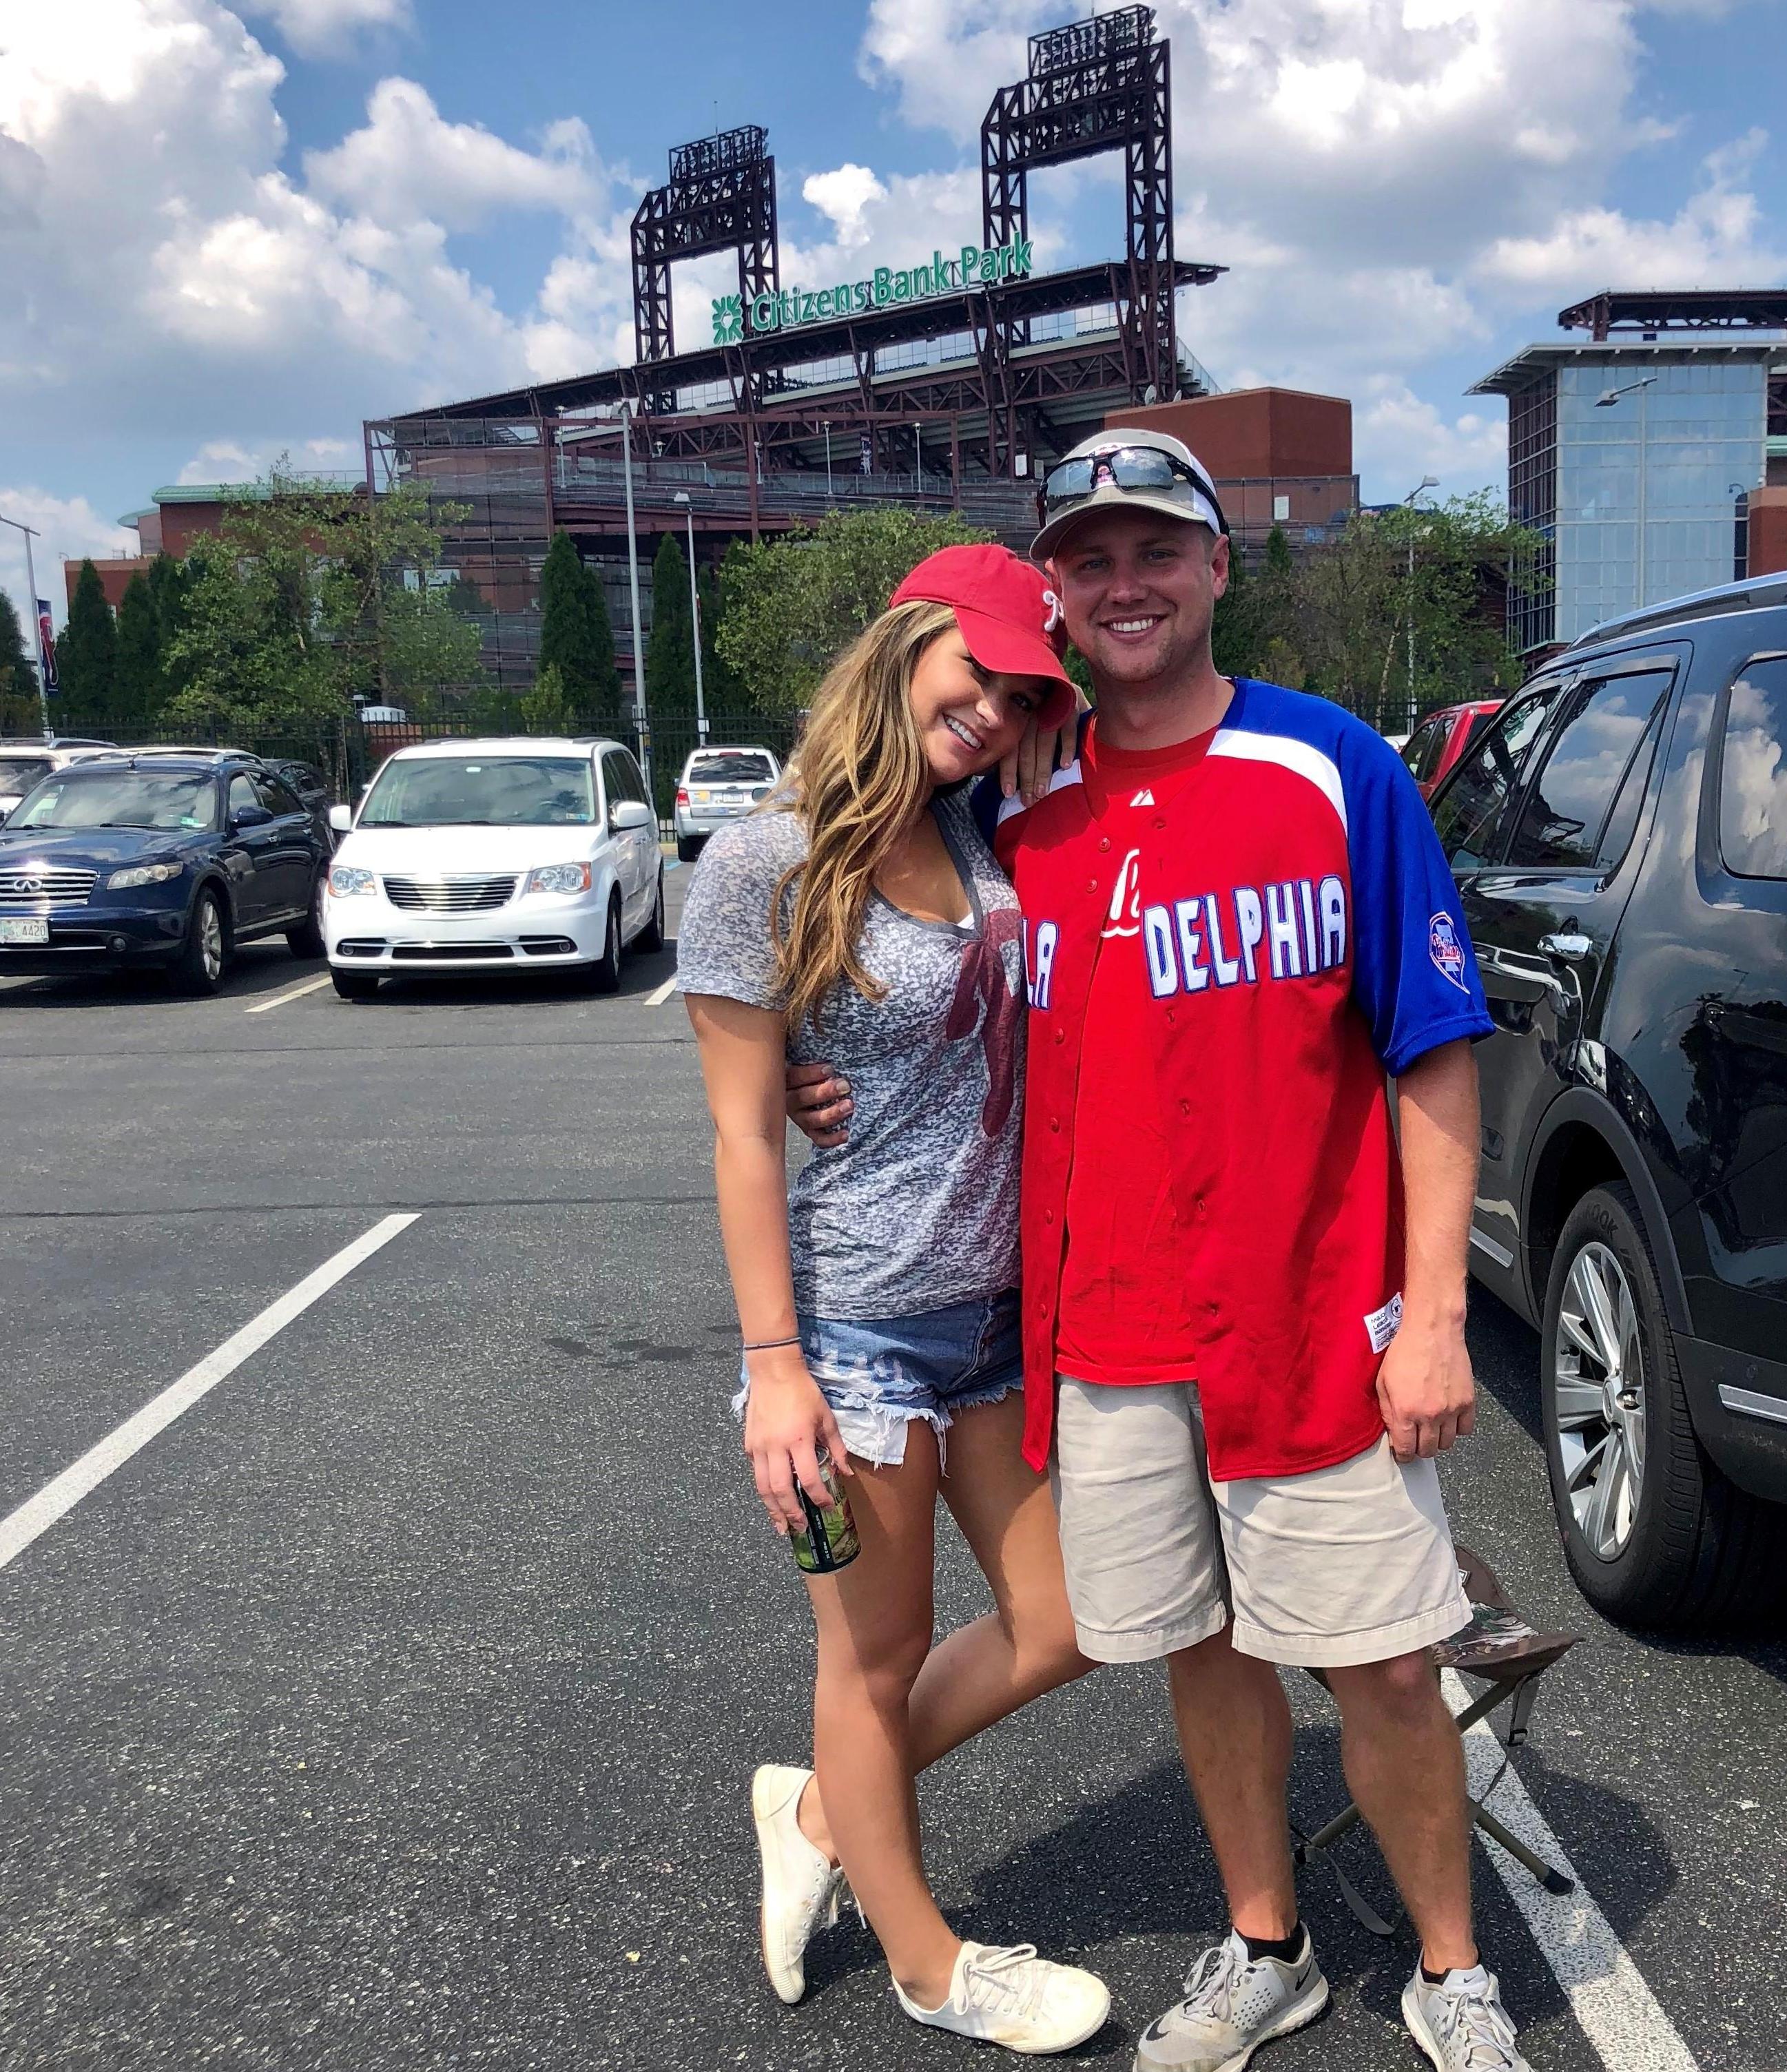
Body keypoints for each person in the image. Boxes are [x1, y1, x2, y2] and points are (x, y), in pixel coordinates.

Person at [789, 431, 1525, 2072]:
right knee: (1196, 1648)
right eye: (1090, 558)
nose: (1124, 585)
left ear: (1215, 568)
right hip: (1110, 1323)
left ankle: (1453, 1969)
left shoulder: (1334, 766)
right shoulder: (1012, 800)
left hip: (1313, 1317)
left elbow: (1433, 1048)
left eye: (1155, 551)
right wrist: (789, 1063)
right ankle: (1269, 1944)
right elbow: (835, 909)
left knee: (1384, 1667)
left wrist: (1435, 1317)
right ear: (1053, 589)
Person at [676, 543, 1111, 2055]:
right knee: (871, 1654)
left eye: (1019, 691)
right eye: (973, 670)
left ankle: (814, 1808)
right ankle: (933, 1963)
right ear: (904, 643)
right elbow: (740, 1129)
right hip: (851, 1329)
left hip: (992, 1316)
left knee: (1063, 1621)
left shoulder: (977, 829)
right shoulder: (764, 858)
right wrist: (774, 1365)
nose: (991, 708)